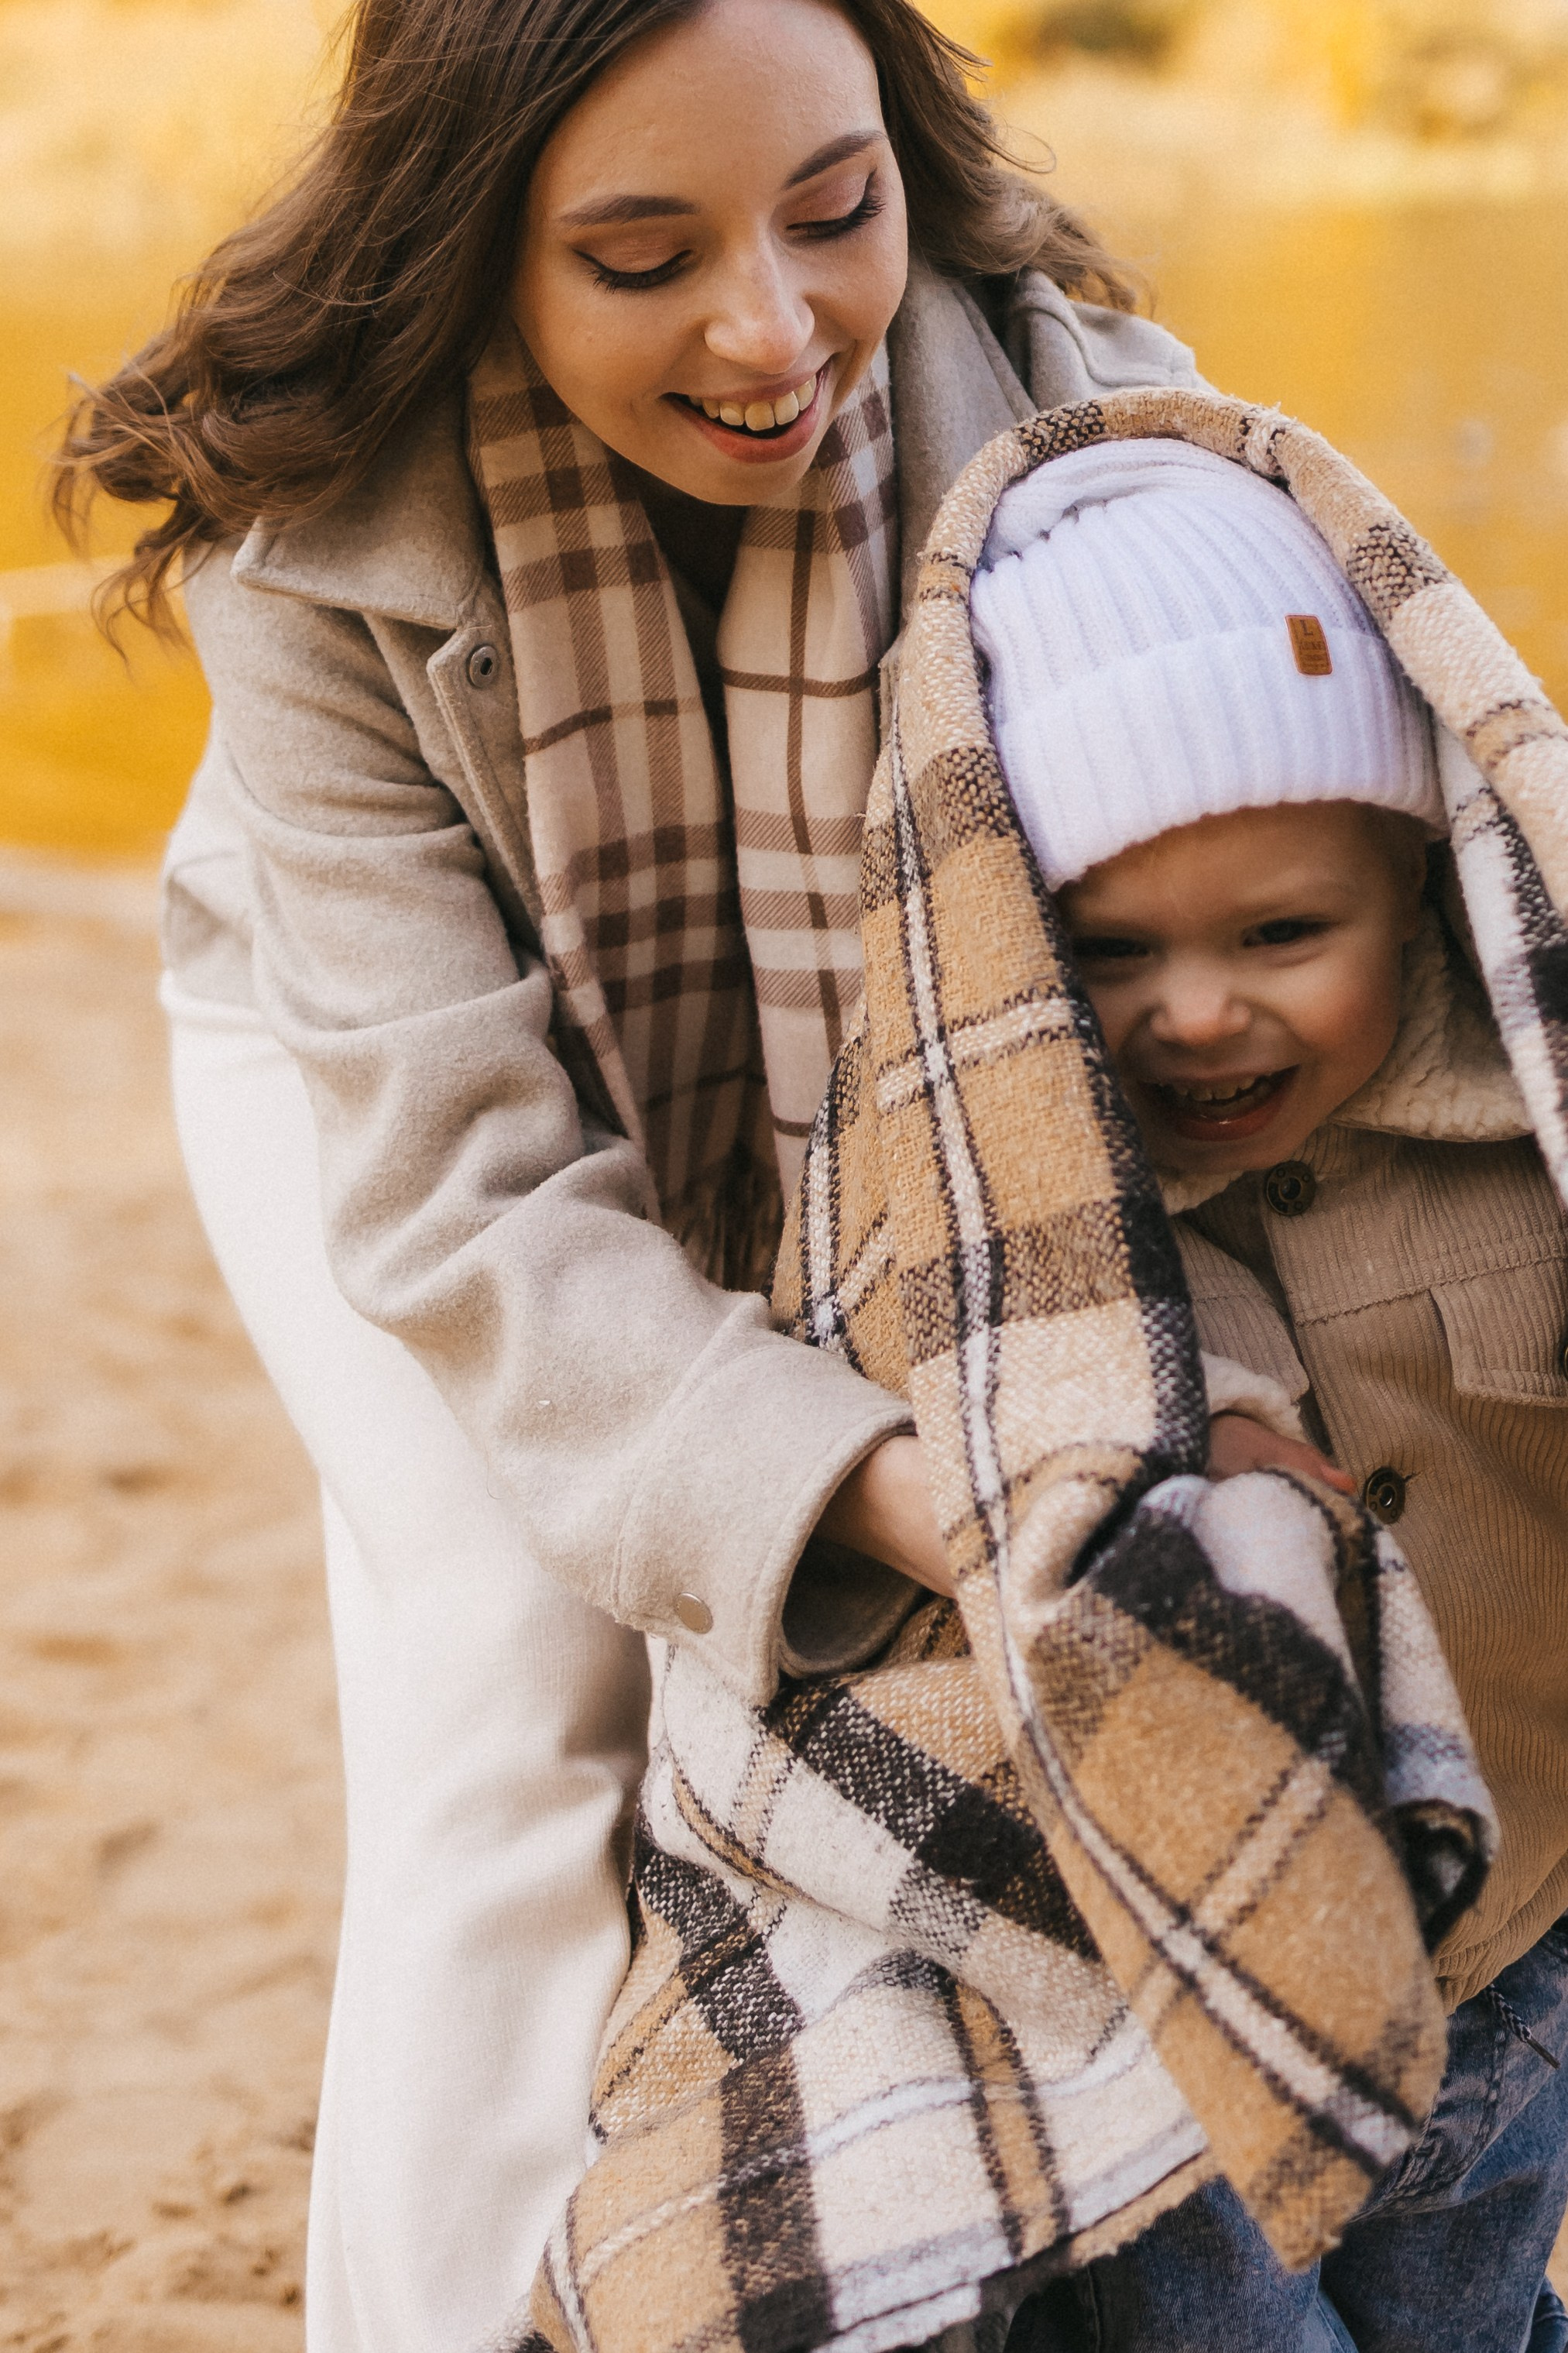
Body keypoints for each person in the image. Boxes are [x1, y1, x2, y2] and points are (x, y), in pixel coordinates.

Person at [52, 5, 1239, 2346]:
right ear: (476, 247)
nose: (772, 327)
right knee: (521, 1669)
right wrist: (889, 1484)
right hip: (370, 1067)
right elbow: (473, 1203)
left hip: (887, 1086)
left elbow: (1252, 916)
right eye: (640, 251)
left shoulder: (1092, 420)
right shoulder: (319, 564)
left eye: (834, 207)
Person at [967, 436, 1568, 2349]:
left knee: (1468, 2312)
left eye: (1277, 936)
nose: (1193, 1012)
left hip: (1521, 1941)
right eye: (1110, 950)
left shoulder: (1524, 1164)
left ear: (1412, 880)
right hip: (1200, 2007)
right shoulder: (1069, 1247)